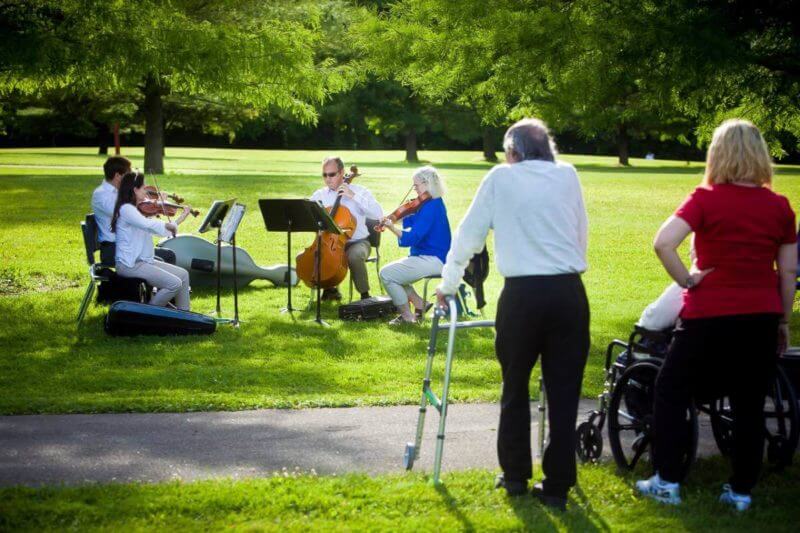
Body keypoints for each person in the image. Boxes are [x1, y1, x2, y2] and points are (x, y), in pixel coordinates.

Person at [636, 119, 797, 511]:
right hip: (759, 316)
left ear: (718, 154)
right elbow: (789, 271)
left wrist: (687, 280)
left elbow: (663, 243)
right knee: (748, 405)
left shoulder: (705, 199)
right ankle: (740, 491)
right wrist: (782, 320)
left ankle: (668, 479)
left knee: (671, 389)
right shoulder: (779, 207)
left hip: (708, 315)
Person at [436, 118, 590, 510]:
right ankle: (557, 485)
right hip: (568, 290)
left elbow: (469, 235)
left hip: (522, 294)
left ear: (513, 152)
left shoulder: (500, 178)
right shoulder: (567, 175)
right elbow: (579, 231)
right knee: (564, 391)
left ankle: (517, 475)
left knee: (515, 385)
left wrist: (448, 283)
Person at [378, 166, 451, 324]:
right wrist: (392, 217)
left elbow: (413, 237)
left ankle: (407, 317)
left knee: (387, 274)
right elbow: (409, 218)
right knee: (396, 274)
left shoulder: (432, 207)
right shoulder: (430, 203)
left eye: (416, 185)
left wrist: (391, 227)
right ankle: (420, 304)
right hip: (428, 256)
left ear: (427, 183)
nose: (414, 189)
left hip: (434, 259)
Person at [111, 171, 193, 310]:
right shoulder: (126, 209)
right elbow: (150, 225)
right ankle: (147, 313)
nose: (146, 191)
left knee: (183, 275)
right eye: (143, 188)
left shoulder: (137, 211)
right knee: (174, 284)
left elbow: (161, 230)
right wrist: (167, 223)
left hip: (143, 262)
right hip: (129, 265)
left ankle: (185, 316)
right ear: (135, 190)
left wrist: (181, 218)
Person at [310, 156, 383, 301]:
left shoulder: (360, 191)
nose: (327, 179)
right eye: (324, 175)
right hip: (329, 242)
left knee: (354, 256)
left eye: (331, 174)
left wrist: (353, 196)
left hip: (358, 242)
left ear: (342, 172)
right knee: (319, 253)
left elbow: (378, 214)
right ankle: (330, 289)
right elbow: (309, 216)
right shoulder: (320, 195)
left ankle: (365, 296)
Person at [91, 156, 132, 265]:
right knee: (161, 259)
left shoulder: (120, 192)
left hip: (127, 246)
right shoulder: (101, 194)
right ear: (118, 176)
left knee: (167, 254)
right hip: (113, 249)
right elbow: (122, 213)